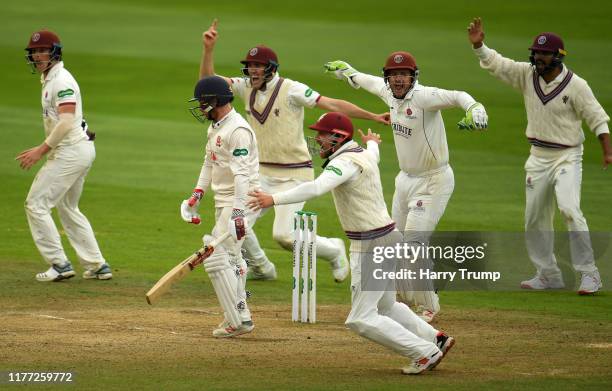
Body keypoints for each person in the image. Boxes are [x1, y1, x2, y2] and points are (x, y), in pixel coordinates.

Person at [248, 112, 455, 374]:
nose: (318, 140)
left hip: (372, 245)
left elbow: (315, 188)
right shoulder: (362, 153)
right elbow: (374, 153)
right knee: (386, 306)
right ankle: (435, 339)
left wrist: (273, 199)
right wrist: (372, 142)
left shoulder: (343, 164)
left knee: (361, 319)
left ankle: (424, 353)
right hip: (387, 238)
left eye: (322, 135)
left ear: (338, 137)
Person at [199, 19, 390, 283]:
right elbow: (209, 85)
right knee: (234, 222)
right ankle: (262, 267)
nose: (253, 71)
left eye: (259, 66)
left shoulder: (292, 89)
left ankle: (334, 250)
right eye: (251, 66)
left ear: (271, 69)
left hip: (295, 174)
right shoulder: (244, 87)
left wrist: (373, 116)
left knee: (285, 236)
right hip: (261, 175)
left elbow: (332, 104)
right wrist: (208, 49)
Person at [323, 53, 488, 322]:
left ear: (413, 76)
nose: (399, 79)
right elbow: (365, 80)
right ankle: (399, 299)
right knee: (392, 241)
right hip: (405, 180)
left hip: (433, 180)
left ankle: (429, 305)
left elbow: (459, 95)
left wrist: (475, 108)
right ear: (388, 77)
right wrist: (347, 72)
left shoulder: (424, 97)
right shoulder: (388, 92)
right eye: (393, 74)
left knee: (413, 244)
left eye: (404, 74)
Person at [467, 18, 611, 294]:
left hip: (567, 156)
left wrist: (607, 151)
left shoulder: (576, 85)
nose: (539, 57)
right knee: (534, 217)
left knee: (569, 209)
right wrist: (479, 46)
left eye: (545, 53)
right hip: (538, 156)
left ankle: (589, 273)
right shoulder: (526, 74)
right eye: (537, 53)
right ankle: (548, 275)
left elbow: (597, 118)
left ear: (558, 56)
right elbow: (499, 65)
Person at [16, 29, 111, 282]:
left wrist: (40, 150)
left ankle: (59, 264)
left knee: (36, 204)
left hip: (71, 151)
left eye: (42, 50)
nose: (37, 56)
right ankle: (97, 265)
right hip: (77, 149)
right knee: (67, 206)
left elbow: (67, 120)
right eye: (34, 52)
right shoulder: (50, 78)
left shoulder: (61, 81)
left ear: (54, 52)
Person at [182, 75, 262, 337]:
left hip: (242, 200)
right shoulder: (216, 126)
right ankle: (243, 315)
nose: (200, 107)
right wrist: (197, 195)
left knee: (217, 257)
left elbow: (241, 176)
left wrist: (238, 213)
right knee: (234, 259)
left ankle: (235, 321)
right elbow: (210, 163)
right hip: (224, 200)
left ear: (214, 101)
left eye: (202, 102)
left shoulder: (237, 131)